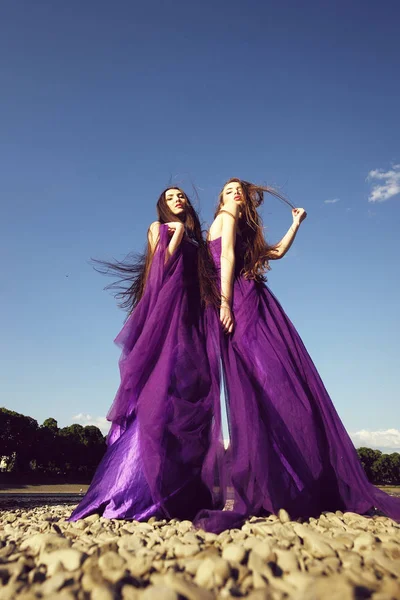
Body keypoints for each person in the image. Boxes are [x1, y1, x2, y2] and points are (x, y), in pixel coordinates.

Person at [196, 177, 400, 533]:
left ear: (247, 198)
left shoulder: (244, 228)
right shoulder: (226, 217)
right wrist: (226, 303)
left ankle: (287, 483)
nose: (233, 195)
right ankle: (277, 483)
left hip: (256, 302)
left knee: (270, 386)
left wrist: (295, 224)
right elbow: (225, 256)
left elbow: (274, 253)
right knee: (265, 386)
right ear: (222, 201)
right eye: (227, 192)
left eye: (237, 190)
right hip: (239, 301)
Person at [69, 187, 220, 522]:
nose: (178, 199)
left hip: (194, 322)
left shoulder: (198, 244)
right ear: (162, 207)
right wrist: (177, 231)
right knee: (160, 394)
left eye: (181, 196)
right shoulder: (159, 228)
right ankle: (132, 491)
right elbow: (161, 269)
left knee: (189, 395)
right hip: (168, 320)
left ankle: (180, 491)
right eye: (170, 197)